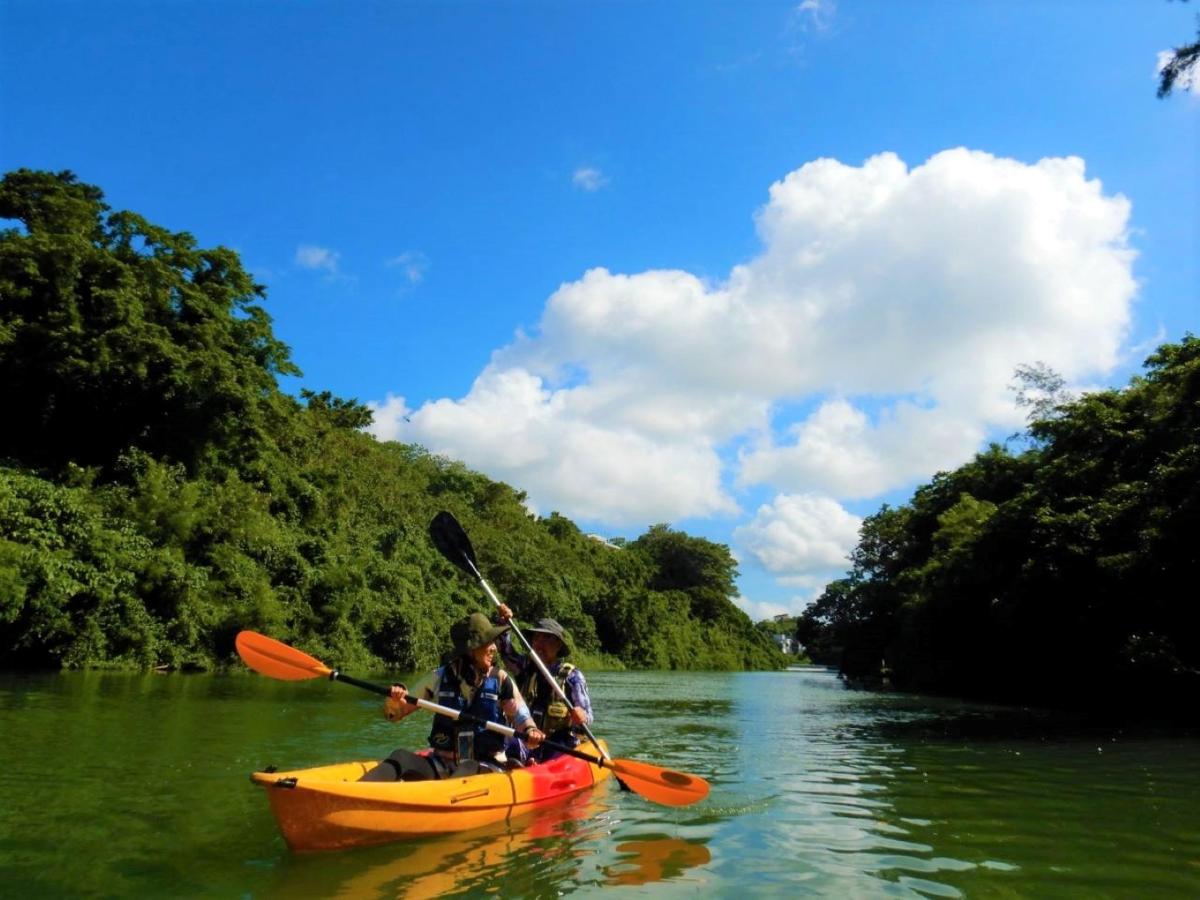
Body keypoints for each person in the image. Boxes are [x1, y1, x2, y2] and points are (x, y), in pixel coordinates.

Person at [360, 612, 545, 782]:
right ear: (471, 650)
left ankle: (438, 802)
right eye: (488, 643)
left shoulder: (501, 680)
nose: (494, 649)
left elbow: (520, 714)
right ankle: (360, 793)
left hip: (487, 766)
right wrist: (394, 701)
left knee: (469, 765)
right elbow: (396, 713)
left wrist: (530, 730)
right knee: (400, 756)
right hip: (442, 763)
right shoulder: (440, 677)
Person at [497, 605, 593, 763]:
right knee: (507, 742)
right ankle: (520, 765)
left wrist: (581, 716)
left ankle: (537, 765)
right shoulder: (525, 667)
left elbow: (587, 716)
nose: (540, 643)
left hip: (558, 742)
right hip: (529, 737)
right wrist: (504, 622)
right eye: (536, 638)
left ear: (558, 645)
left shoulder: (572, 676)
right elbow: (506, 651)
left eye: (547, 638)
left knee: (556, 750)